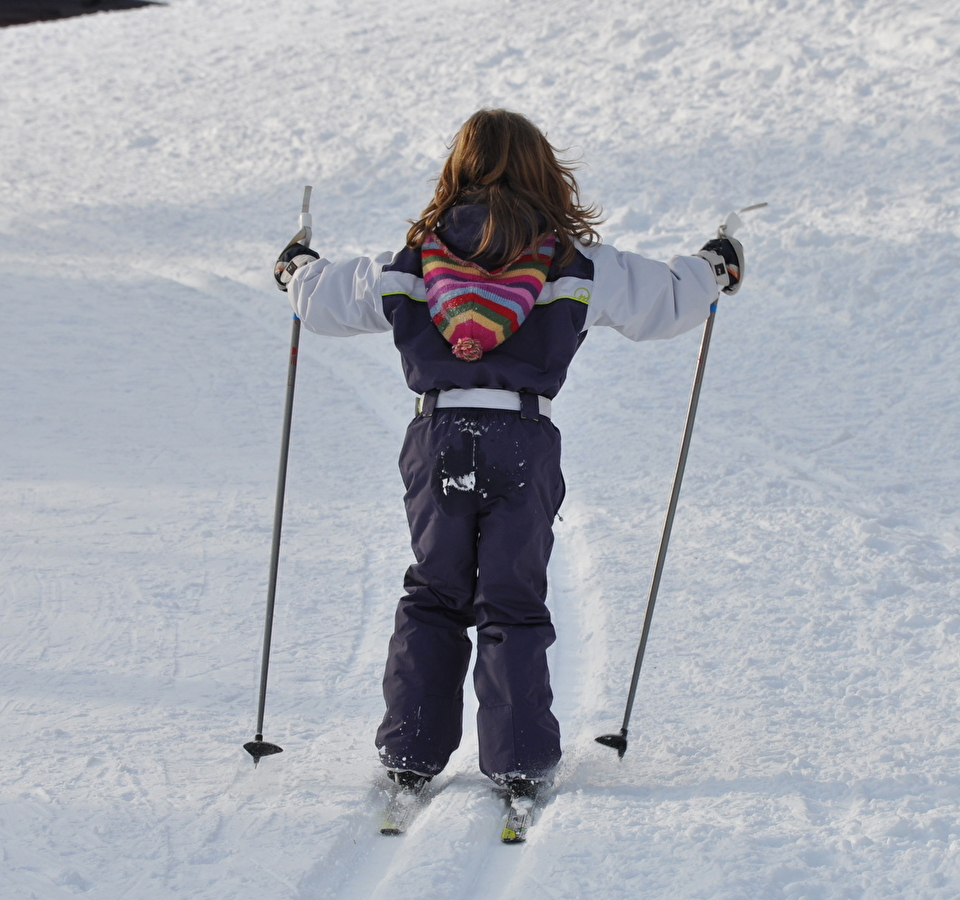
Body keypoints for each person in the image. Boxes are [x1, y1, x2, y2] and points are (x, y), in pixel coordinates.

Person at [273, 109, 744, 805]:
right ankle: (518, 758)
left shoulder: (412, 260)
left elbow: (324, 299)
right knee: (512, 597)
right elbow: (667, 302)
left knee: (434, 591)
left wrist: (295, 267)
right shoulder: (575, 262)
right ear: (541, 170)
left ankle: (410, 751)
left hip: (436, 437)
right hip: (521, 437)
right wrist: (716, 263)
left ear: (457, 168)